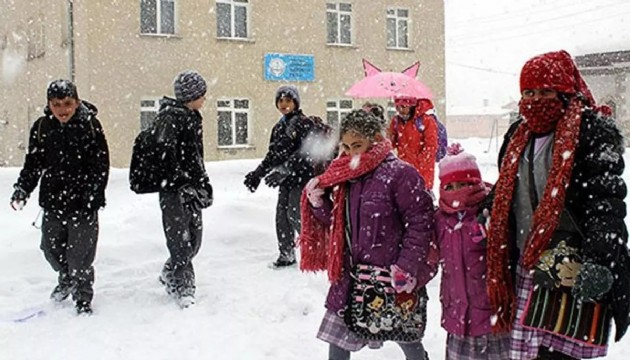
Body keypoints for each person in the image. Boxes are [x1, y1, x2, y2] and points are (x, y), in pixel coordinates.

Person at [483, 50, 630, 359]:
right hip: (528, 264)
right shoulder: (517, 134)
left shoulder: (591, 133)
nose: (536, 99)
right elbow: (512, 188)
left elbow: (605, 204)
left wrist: (599, 262)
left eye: (546, 91)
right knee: (529, 352)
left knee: (560, 352)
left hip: (572, 267)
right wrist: (487, 204)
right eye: (529, 92)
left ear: (564, 92)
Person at [300, 109, 434, 360]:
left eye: (357, 145)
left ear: (375, 138)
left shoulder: (400, 174)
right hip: (350, 277)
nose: (351, 153)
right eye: (346, 146)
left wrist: (405, 267)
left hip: (389, 276)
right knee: (337, 345)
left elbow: (420, 223)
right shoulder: (344, 175)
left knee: (405, 335)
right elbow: (341, 224)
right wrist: (319, 204)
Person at [10, 79, 110, 315]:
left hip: (83, 204)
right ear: (49, 105)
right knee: (50, 249)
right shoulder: (42, 127)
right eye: (57, 104)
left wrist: (92, 195)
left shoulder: (90, 126)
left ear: (76, 102)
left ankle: (82, 298)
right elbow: (33, 164)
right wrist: (23, 189)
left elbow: (101, 166)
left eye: (67, 103)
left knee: (80, 256)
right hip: (53, 201)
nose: (63, 109)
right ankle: (66, 278)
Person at [431, 143, 509, 359]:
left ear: (475, 182)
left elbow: (508, 253)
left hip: (492, 314)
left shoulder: (489, 213)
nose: (457, 191)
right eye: (450, 186)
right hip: (458, 316)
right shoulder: (439, 220)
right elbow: (428, 257)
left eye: (464, 184)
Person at [243, 85, 319, 268]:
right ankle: (286, 254)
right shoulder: (278, 127)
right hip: (285, 180)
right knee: (281, 217)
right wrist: (257, 174)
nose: (284, 104)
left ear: (296, 102)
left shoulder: (304, 123)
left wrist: (285, 168)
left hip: (302, 179)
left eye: (288, 100)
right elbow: (272, 156)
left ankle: (316, 250)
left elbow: (307, 154)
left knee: (295, 214)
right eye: (280, 101)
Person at [156, 70, 213, 309]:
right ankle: (183, 286)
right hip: (174, 190)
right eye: (202, 95)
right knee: (180, 239)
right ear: (191, 95)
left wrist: (203, 183)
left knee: (194, 240)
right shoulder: (170, 118)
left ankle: (170, 271)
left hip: (192, 188)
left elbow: (195, 158)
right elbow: (166, 156)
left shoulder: (192, 116)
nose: (204, 99)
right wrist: (181, 183)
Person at [389, 97, 439, 191]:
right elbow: (391, 144)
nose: (400, 110)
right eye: (397, 107)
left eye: (403, 106)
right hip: (403, 170)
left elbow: (431, 146)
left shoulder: (426, 121)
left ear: (411, 105)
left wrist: (418, 164)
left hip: (422, 173)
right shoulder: (396, 121)